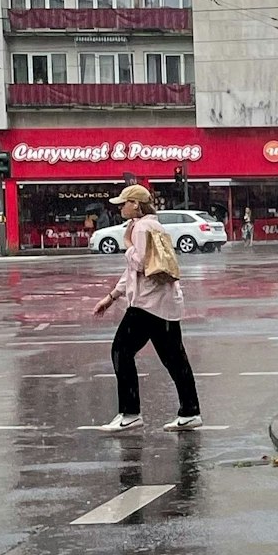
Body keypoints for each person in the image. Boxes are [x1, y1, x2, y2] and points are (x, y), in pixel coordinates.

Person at [91, 184, 202, 432]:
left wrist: (128, 244)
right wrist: (112, 297)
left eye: (124, 203)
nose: (120, 207)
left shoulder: (140, 228)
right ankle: (190, 411)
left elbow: (140, 264)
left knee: (121, 351)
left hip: (147, 304)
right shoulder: (155, 225)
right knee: (175, 360)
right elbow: (141, 268)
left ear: (136, 205)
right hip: (165, 303)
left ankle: (130, 412)